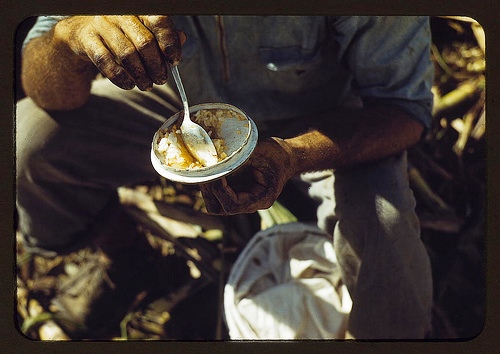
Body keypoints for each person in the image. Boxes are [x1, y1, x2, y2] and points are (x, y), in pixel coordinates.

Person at [17, 15, 434, 339]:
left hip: (326, 123)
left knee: (388, 245)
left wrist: (292, 154)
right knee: (26, 141)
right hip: (182, 105)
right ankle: (126, 258)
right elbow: (46, 88)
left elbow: (403, 111)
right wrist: (69, 39)